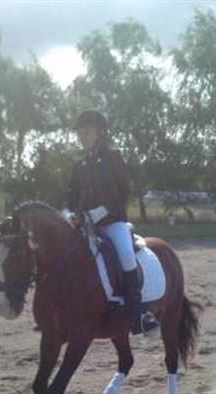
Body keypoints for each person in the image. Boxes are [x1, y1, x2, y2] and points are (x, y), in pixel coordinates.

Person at [66, 109, 159, 337]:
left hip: (111, 221)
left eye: (87, 132)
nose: (82, 137)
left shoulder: (113, 157)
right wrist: (68, 212)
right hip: (85, 225)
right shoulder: (80, 164)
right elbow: (71, 195)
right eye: (80, 133)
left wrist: (97, 213)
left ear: (100, 133)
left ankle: (138, 313)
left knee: (127, 256)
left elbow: (122, 190)